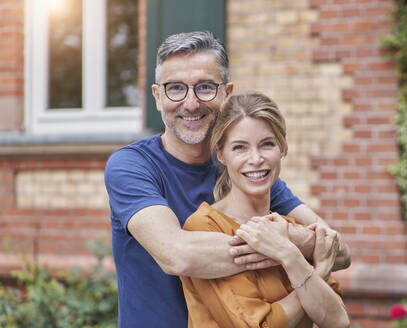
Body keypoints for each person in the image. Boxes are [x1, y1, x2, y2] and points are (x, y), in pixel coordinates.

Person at [104, 31, 350, 328]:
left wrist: (291, 242)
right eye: (175, 89)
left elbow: (339, 251)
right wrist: (289, 247)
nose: (191, 103)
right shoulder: (132, 165)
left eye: (205, 87)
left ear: (226, 93)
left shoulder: (246, 170)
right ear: (157, 97)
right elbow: (177, 256)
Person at [180, 92, 350, 328]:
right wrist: (315, 271)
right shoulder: (206, 227)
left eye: (267, 144)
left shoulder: (292, 229)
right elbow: (257, 325)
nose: (256, 158)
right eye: (240, 147)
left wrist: (290, 257)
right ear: (221, 154)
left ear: (282, 147)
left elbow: (338, 321)